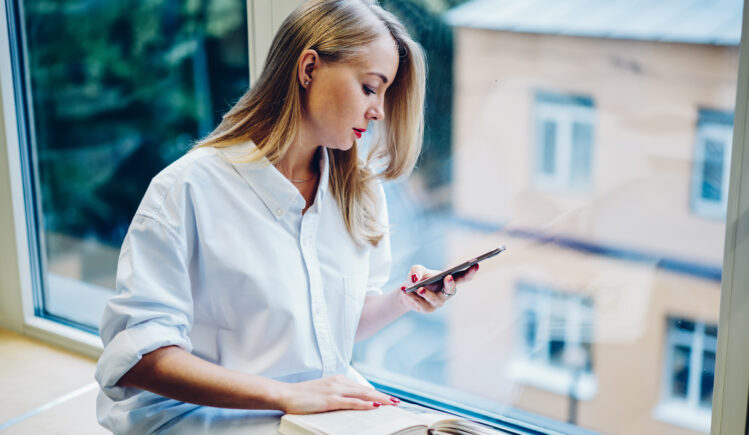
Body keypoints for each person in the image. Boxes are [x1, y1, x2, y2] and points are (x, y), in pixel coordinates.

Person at [94, 0, 479, 433]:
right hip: (207, 418)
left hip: (310, 411)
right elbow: (137, 360)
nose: (379, 111)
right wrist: (287, 396)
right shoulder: (186, 190)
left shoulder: (358, 190)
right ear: (309, 68)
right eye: (371, 88)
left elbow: (327, 331)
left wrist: (402, 299)